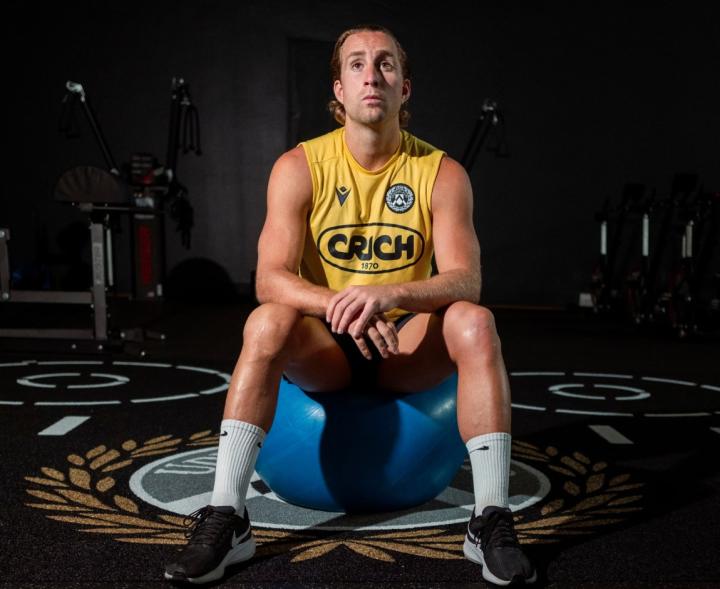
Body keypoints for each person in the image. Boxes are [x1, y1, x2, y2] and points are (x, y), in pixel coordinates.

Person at [164, 24, 536, 587]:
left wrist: (392, 293)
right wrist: (338, 302)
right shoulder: (299, 166)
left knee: (476, 323)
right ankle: (227, 518)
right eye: (357, 64)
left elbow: (467, 279)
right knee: (266, 321)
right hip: (327, 349)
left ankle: (490, 521)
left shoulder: (442, 173)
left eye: (385, 64)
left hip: (402, 344)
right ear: (338, 89)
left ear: (404, 88)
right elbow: (269, 278)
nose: (371, 75)